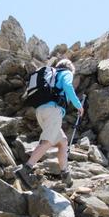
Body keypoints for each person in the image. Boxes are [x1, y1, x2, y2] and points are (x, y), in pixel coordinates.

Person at [17, 58, 84, 188]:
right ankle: (26, 170)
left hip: (40, 112)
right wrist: (78, 106)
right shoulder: (66, 73)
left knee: (63, 141)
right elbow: (68, 86)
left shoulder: (51, 75)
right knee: (47, 141)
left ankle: (65, 174)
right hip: (53, 110)